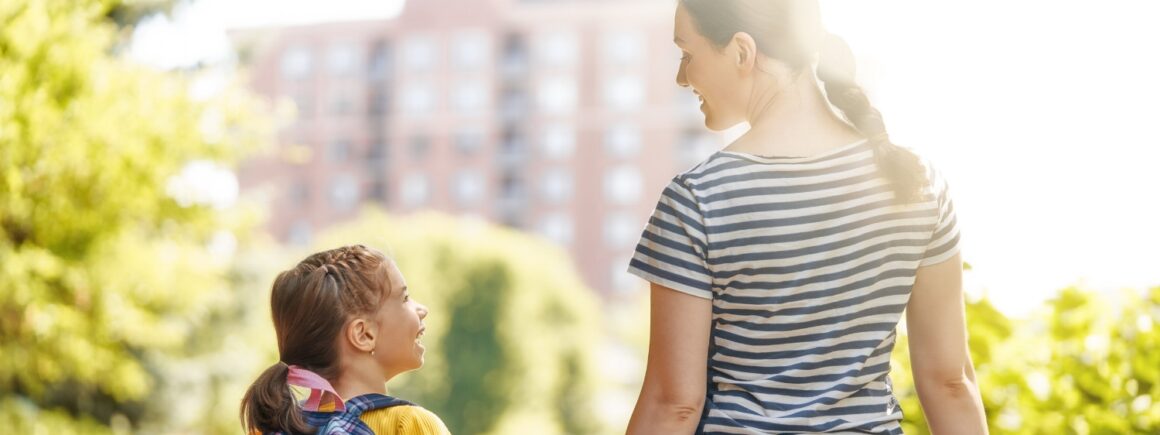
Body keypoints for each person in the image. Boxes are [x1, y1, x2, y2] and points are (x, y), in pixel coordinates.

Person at [625, 1, 988, 433]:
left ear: (743, 51)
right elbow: (949, 382)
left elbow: (674, 404)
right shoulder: (915, 183)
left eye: (687, 55)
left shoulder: (698, 200)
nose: (681, 77)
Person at [240, 245, 450, 434]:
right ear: (364, 334)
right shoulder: (410, 424)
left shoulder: (278, 428)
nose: (422, 309)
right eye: (404, 298)